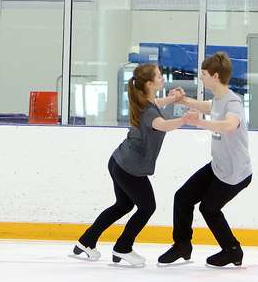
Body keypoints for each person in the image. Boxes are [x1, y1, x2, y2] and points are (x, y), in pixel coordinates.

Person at [70, 63, 195, 267]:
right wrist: (184, 119)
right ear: (149, 83)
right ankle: (123, 248)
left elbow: (156, 104)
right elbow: (162, 125)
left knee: (123, 205)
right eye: (159, 76)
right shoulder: (148, 111)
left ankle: (86, 242)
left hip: (119, 162)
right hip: (129, 168)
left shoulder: (144, 101)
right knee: (147, 207)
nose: (162, 78)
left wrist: (172, 99)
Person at [158, 51, 252, 268]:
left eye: (204, 74)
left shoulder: (233, 102)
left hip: (235, 173)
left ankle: (232, 251)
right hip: (218, 167)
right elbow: (209, 107)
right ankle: (182, 246)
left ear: (216, 76)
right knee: (182, 197)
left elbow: (230, 124)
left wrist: (200, 123)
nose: (201, 77)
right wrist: (183, 99)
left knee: (209, 208)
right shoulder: (219, 100)